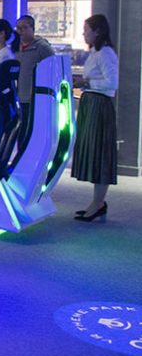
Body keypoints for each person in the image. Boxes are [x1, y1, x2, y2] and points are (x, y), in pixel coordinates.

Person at [71, 14, 118, 222]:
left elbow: (112, 83)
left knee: (100, 153)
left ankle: (98, 203)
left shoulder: (105, 53)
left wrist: (87, 83)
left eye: (86, 30)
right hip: (91, 105)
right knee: (93, 152)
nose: (83, 34)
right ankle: (97, 202)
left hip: (99, 106)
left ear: (97, 31)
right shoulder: (95, 53)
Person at [12, 15, 54, 119]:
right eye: (18, 28)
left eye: (24, 27)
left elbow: (52, 67)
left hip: (35, 96)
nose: (20, 31)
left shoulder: (42, 47)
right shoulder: (16, 47)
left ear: (32, 28)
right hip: (20, 95)